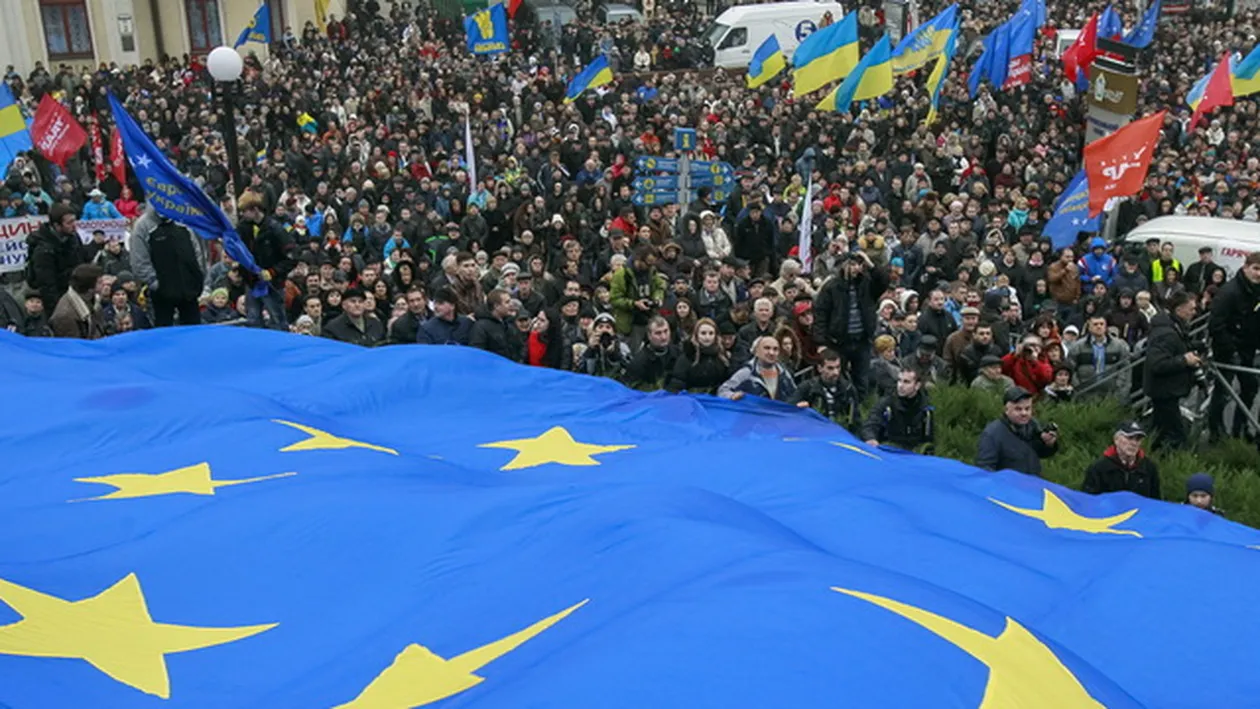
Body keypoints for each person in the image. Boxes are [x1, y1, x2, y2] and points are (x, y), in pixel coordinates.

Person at [812, 251, 887, 397]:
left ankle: (859, 412)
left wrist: (869, 263)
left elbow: (883, 281)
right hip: (838, 341)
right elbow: (821, 314)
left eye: (859, 264)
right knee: (838, 379)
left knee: (861, 380)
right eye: (852, 264)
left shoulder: (867, 283)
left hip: (862, 340)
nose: (856, 268)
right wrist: (821, 343)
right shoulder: (831, 287)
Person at [1207, 251, 1260, 441]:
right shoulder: (1230, 292)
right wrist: (1231, 350)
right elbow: (1215, 325)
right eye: (1255, 269)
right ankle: (1215, 431)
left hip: (1248, 348)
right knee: (1222, 392)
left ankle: (1240, 428)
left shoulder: (1257, 291)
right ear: (1245, 267)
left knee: (1250, 387)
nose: (1258, 274)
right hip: (1227, 349)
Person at [129, 208, 209, 327]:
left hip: (189, 290)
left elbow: (196, 250)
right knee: (164, 333)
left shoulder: (182, 219)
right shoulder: (143, 226)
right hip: (162, 294)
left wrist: (197, 276)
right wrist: (156, 284)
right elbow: (139, 261)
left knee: (194, 331)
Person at [1144, 291, 1202, 451]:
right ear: (1179, 309)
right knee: (1176, 436)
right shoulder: (1166, 332)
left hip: (1167, 392)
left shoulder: (1174, 328)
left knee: (1159, 433)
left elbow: (1176, 347)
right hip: (1165, 392)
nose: (1194, 313)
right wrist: (1184, 360)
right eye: (1191, 309)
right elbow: (1157, 364)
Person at [237, 193, 297, 330]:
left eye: (244, 211)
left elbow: (292, 258)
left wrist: (273, 272)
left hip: (272, 284)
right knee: (253, 321)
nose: (242, 215)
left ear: (255, 210)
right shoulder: (243, 227)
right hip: (251, 282)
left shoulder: (276, 229)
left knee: (277, 322)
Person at [975, 386, 1058, 476]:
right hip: (1007, 487)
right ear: (1006, 410)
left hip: (1032, 483)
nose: (1024, 413)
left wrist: (1048, 444)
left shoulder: (1033, 425)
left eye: (1027, 408)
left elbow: (1040, 452)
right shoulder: (992, 434)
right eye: (1018, 409)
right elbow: (984, 469)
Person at [25, 204, 86, 311]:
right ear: (57, 225)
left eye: (74, 221)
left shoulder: (73, 237)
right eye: (69, 223)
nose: (74, 225)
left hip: (76, 293)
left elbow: (82, 261)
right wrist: (58, 308)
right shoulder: (43, 250)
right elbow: (47, 286)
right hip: (59, 299)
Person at [860, 369, 934, 453]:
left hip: (914, 455)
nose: (901, 385)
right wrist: (870, 438)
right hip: (888, 451)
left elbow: (931, 439)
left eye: (906, 382)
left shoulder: (926, 408)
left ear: (917, 385)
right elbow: (871, 423)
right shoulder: (886, 403)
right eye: (899, 380)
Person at [1081, 421, 1161, 499]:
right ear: (1116, 440)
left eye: (1138, 439)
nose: (1134, 443)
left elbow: (1155, 502)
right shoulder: (1099, 469)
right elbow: (1089, 502)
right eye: (1129, 438)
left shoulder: (1149, 468)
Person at [610, 244, 666, 346]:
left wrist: (658, 297)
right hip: (631, 322)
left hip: (649, 318)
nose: (650, 267)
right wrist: (634, 303)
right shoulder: (621, 275)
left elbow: (660, 286)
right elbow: (614, 299)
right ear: (639, 259)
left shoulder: (651, 271)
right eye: (648, 264)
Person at [790, 348, 859, 430]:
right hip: (814, 432)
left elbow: (856, 419)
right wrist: (798, 409)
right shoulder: (807, 388)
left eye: (838, 367)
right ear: (820, 368)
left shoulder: (848, 388)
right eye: (830, 368)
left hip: (841, 432)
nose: (835, 372)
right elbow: (789, 409)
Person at [1066, 314, 1131, 398]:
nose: (1099, 327)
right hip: (1085, 392)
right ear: (1089, 327)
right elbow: (1071, 369)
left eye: (1101, 324)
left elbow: (1125, 368)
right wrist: (1078, 386)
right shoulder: (1077, 347)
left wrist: (1119, 386)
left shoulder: (1119, 346)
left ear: (1106, 326)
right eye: (1095, 324)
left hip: (1111, 392)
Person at [718, 336, 798, 402]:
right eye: (767, 348)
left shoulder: (784, 373)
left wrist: (799, 403)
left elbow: (795, 395)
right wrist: (732, 396)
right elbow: (722, 391)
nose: (771, 352)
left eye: (775, 349)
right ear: (757, 352)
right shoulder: (747, 372)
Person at [668, 318, 730, 394]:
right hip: (691, 398)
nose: (707, 337)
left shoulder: (722, 356)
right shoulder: (687, 356)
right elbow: (677, 383)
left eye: (711, 333)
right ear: (696, 335)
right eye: (703, 333)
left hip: (716, 398)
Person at [48, 263, 106, 340]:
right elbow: (74, 347)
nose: (104, 284)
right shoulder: (65, 316)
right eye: (100, 282)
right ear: (89, 287)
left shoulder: (93, 301)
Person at [625, 316, 679, 391]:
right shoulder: (638, 362)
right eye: (658, 333)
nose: (663, 337)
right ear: (649, 336)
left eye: (666, 331)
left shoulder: (678, 353)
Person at [469, 288, 522, 362]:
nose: (510, 305)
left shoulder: (509, 323)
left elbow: (518, 346)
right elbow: (477, 355)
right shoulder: (480, 327)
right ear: (496, 306)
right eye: (507, 302)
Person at [581, 312, 631, 379]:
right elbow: (584, 372)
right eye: (600, 327)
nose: (604, 330)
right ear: (594, 330)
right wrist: (590, 350)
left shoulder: (622, 347)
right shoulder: (588, 347)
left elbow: (628, 370)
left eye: (608, 327)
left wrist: (614, 354)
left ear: (613, 332)